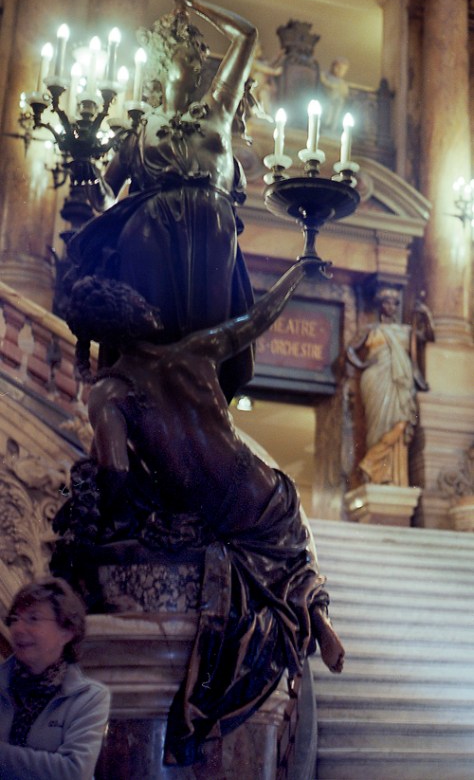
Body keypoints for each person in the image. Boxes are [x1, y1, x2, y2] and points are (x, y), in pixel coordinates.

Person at [62, 260, 344, 765]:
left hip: (215, 512)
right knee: (290, 555)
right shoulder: (193, 351)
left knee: (226, 562)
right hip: (269, 495)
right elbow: (257, 320)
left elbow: (117, 476)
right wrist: (298, 270)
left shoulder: (111, 394)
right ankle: (316, 614)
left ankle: (309, 615)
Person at [69, 0, 258, 401]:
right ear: (161, 63)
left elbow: (247, 36)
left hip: (212, 229)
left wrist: (197, 5)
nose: (197, 57)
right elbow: (104, 197)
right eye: (186, 52)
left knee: (209, 343)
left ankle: (204, 418)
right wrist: (85, 165)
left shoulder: (218, 110)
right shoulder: (138, 129)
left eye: (198, 52)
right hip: (150, 228)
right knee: (153, 335)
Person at [0, 577, 110, 780]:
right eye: (15, 619)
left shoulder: (90, 698)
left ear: (66, 632)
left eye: (33, 619)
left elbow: (73, 772)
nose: (18, 629)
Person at [347, 288, 434, 484]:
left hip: (400, 382)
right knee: (377, 426)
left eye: (394, 303)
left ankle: (371, 465)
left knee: (400, 423)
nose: (390, 307)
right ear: (381, 306)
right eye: (386, 303)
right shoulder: (372, 329)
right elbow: (350, 350)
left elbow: (428, 336)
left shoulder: (406, 331)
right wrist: (362, 364)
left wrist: (426, 315)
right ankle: (378, 472)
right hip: (376, 378)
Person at [320, 56, 350, 132]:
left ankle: (332, 126)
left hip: (336, 102)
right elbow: (324, 82)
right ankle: (325, 123)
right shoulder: (325, 75)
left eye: (342, 70)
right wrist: (331, 86)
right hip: (325, 98)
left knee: (338, 104)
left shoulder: (342, 83)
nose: (339, 71)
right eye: (338, 68)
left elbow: (345, 92)